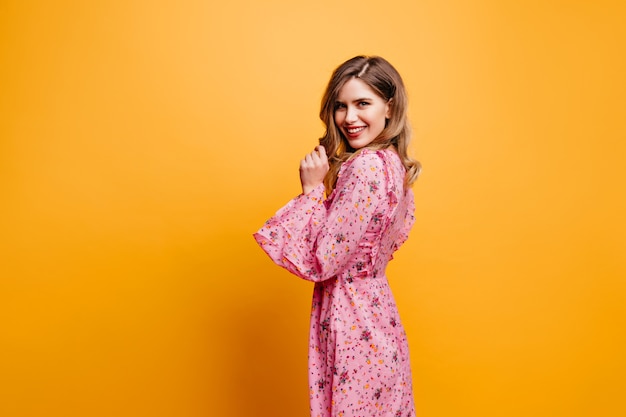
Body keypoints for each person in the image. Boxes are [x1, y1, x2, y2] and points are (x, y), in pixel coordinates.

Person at [254, 55, 420, 417]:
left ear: (389, 108)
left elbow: (322, 261)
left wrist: (312, 191)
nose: (349, 118)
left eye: (363, 103)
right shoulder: (392, 164)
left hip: (354, 322)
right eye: (341, 106)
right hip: (379, 318)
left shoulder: (364, 167)